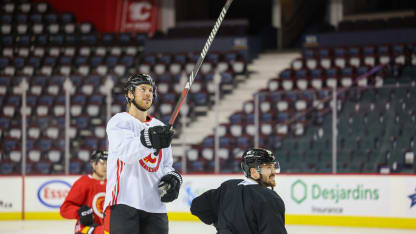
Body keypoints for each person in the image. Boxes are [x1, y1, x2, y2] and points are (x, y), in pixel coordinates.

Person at [103, 73, 182, 234]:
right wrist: (150, 139)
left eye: (151, 90)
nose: (148, 93)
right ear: (130, 94)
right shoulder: (119, 121)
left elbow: (166, 165)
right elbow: (127, 153)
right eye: (143, 89)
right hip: (123, 203)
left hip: (155, 208)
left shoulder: (159, 126)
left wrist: (173, 178)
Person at [190, 148, 287, 234]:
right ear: (254, 172)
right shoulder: (269, 198)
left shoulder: (228, 187)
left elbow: (197, 206)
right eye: (269, 168)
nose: (274, 172)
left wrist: (222, 227)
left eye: (274, 167)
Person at [60, 150, 108, 234]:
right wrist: (80, 212)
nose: (106, 166)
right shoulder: (83, 182)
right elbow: (65, 209)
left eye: (108, 163)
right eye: (102, 163)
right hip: (86, 228)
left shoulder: (113, 183)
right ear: (94, 164)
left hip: (106, 227)